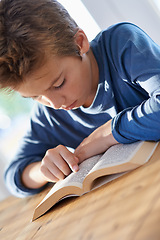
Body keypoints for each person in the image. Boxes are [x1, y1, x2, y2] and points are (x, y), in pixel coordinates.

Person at [1, 0, 160, 198]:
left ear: (80, 43)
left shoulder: (121, 44)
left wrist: (108, 134)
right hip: (130, 195)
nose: (56, 104)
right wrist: (43, 170)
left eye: (58, 84)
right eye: (35, 96)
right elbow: (13, 176)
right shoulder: (49, 114)